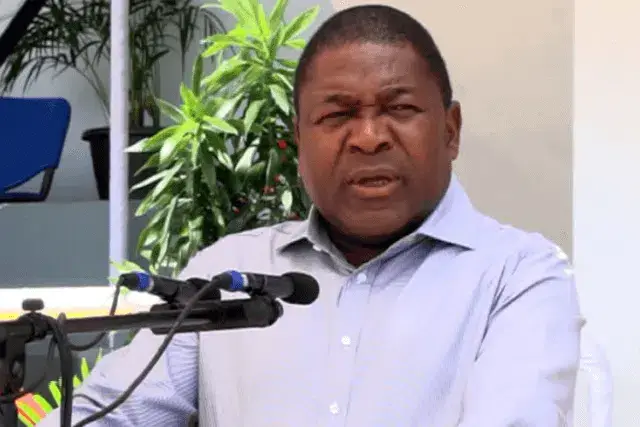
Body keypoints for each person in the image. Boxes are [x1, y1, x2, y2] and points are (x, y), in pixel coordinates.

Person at [40, 5, 582, 426]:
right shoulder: (227, 272)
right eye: (337, 114)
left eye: (399, 108)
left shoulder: (518, 276)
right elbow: (108, 413)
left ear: (450, 130)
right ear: (298, 140)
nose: (368, 137)